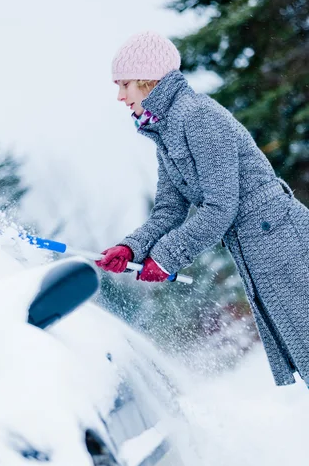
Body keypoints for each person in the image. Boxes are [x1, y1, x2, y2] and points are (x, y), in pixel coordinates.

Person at [95, 30, 309, 388]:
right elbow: (168, 209)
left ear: (148, 81)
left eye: (125, 84)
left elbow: (220, 208)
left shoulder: (197, 118)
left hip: (281, 240)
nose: (120, 96)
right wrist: (132, 248)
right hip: (259, 244)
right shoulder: (167, 128)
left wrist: (165, 258)